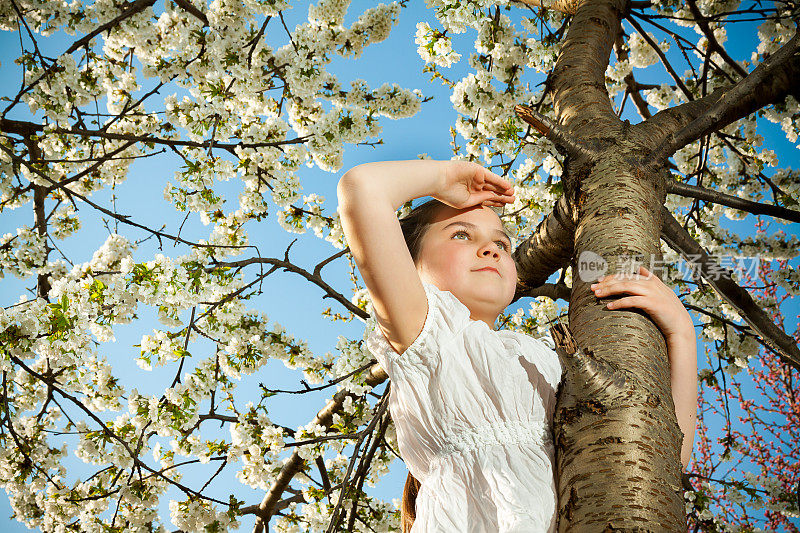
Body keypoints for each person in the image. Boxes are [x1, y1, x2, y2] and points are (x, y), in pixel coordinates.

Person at [336, 159, 698, 532]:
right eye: (461, 234)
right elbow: (362, 188)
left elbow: (661, 456)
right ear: (408, 267)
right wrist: (444, 179)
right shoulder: (431, 335)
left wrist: (681, 333)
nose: (491, 249)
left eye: (502, 243)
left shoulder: (546, 360)